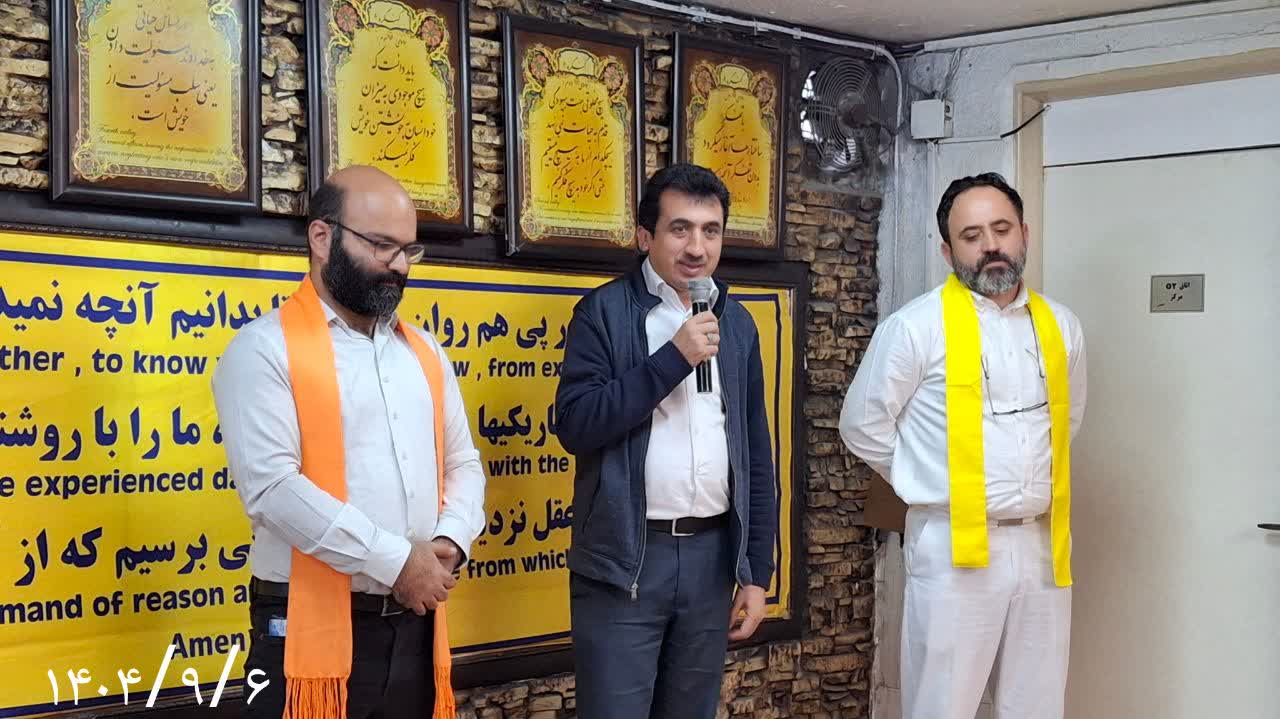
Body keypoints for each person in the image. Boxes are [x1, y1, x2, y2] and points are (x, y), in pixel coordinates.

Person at [211, 165, 486, 719]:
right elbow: (273, 489)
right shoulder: (263, 349)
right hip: (303, 630)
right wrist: (397, 561)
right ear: (322, 237)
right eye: (382, 246)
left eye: (409, 250)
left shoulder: (424, 353)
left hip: (415, 622)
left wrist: (447, 543)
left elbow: (464, 463)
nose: (399, 265)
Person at [839, 173, 1087, 719]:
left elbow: (1065, 425)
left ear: (1024, 233)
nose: (990, 245)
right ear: (948, 251)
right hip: (952, 545)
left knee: (1038, 704)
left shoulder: (1061, 326)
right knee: (943, 705)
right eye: (972, 236)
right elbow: (862, 426)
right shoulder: (914, 327)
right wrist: (926, 478)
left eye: (1002, 229)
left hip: (1042, 545)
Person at [554, 163, 776, 719]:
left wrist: (756, 573)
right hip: (625, 561)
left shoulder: (737, 323)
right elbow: (576, 425)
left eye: (710, 230)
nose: (697, 247)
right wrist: (674, 358)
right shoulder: (604, 313)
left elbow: (755, 456)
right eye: (680, 229)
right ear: (644, 236)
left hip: (710, 560)